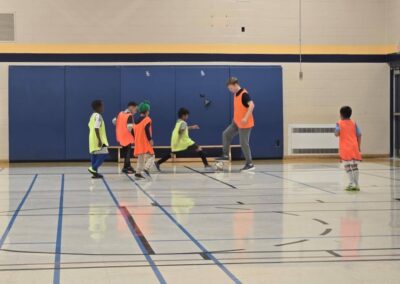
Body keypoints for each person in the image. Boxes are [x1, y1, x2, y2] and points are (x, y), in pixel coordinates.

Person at [216, 77, 255, 171]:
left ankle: (249, 164)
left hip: (245, 124)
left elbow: (252, 105)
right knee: (226, 134)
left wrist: (245, 118)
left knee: (243, 143)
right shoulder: (235, 94)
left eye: (231, 88)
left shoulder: (244, 94)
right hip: (236, 122)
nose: (230, 90)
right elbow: (239, 108)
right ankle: (225, 155)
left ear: (235, 85)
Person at [335, 106, 362, 191]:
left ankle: (351, 183)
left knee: (347, 166)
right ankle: (356, 184)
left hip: (345, 148)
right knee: (354, 166)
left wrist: (338, 131)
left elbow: (336, 133)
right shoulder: (354, 123)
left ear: (341, 115)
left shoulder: (339, 123)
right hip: (354, 146)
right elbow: (359, 134)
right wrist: (359, 146)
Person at [113, 102, 137, 174]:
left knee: (125, 151)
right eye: (135, 109)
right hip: (127, 136)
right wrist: (134, 135)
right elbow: (130, 127)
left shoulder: (121, 113)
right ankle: (126, 167)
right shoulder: (129, 115)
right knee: (128, 152)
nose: (135, 111)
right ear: (131, 107)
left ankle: (127, 165)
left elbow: (114, 121)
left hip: (121, 136)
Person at [88, 100, 109, 179]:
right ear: (98, 107)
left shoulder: (92, 116)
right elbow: (96, 127)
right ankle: (93, 168)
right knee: (104, 154)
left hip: (92, 138)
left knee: (94, 155)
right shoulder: (98, 116)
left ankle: (95, 173)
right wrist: (99, 140)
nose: (103, 108)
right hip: (98, 139)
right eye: (102, 106)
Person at [133, 102, 155, 179]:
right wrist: (150, 139)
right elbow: (146, 129)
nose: (149, 112)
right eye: (148, 110)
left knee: (141, 158)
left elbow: (133, 131)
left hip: (138, 141)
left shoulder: (136, 121)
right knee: (152, 156)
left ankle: (138, 173)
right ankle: (146, 169)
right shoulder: (147, 119)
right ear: (146, 111)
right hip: (145, 142)